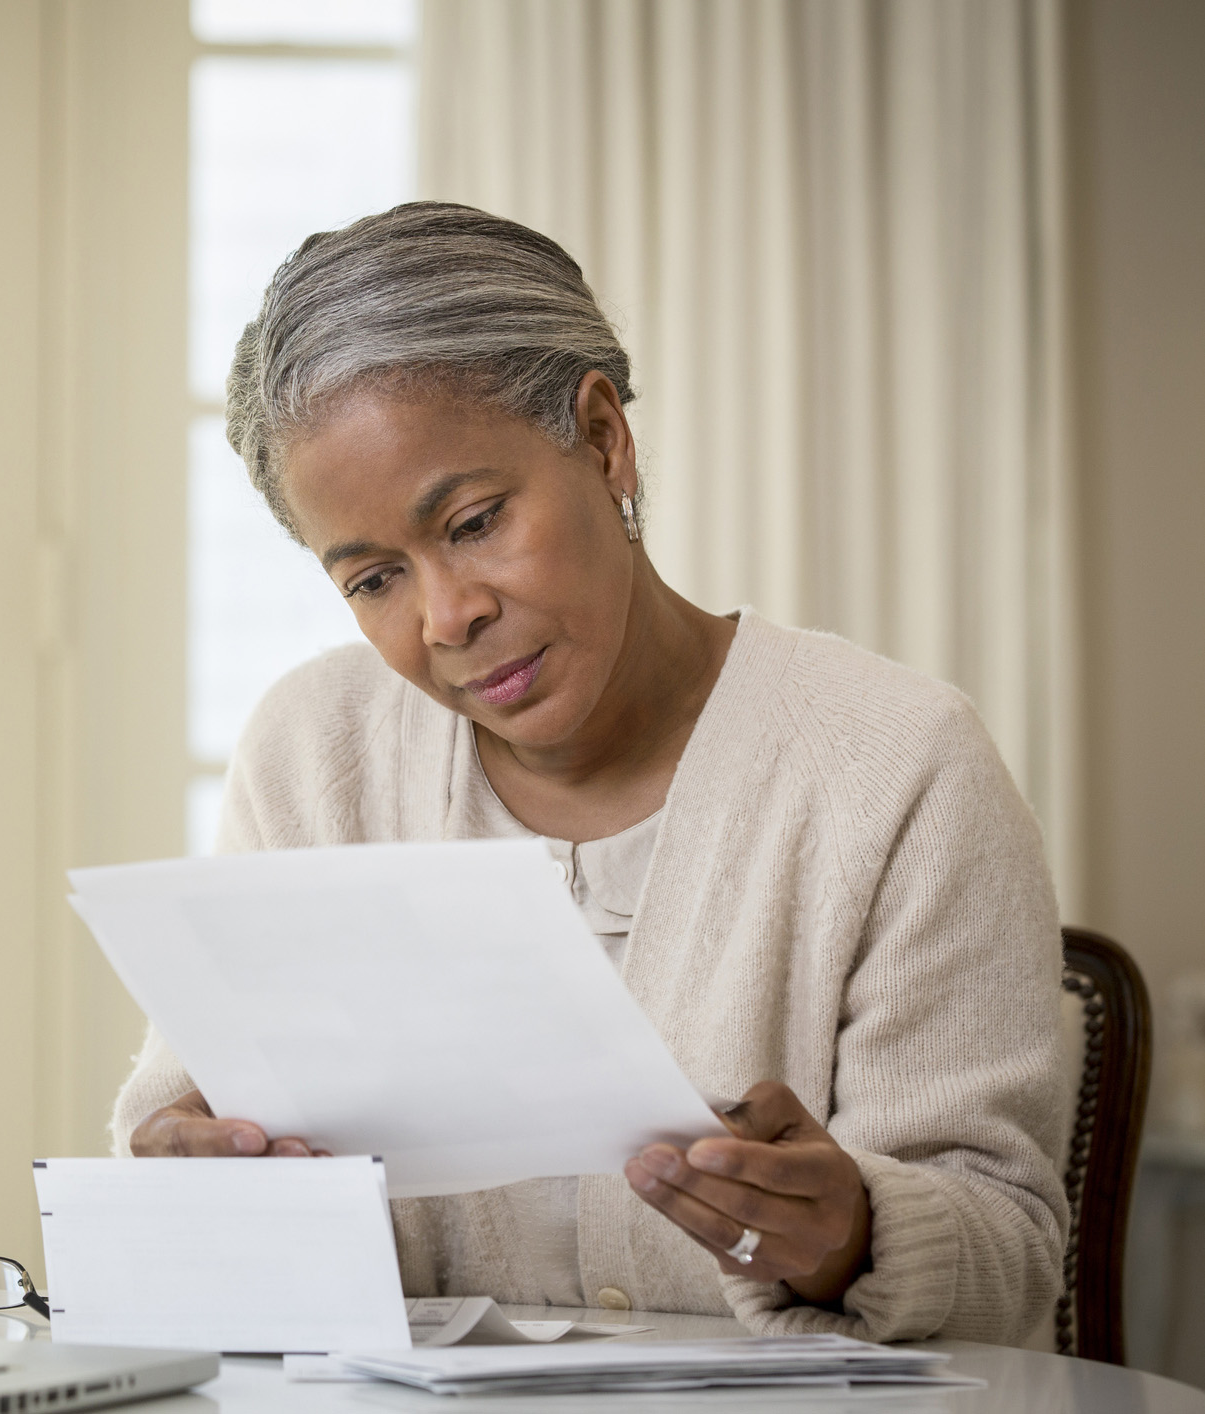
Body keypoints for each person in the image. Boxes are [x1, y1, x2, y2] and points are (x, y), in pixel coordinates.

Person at [112, 202, 1066, 1344]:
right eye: (373, 581)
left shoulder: (898, 767)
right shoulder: (314, 753)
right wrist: (188, 1166)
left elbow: (1011, 1259)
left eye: (473, 522)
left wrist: (854, 1233)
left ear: (604, 439)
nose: (448, 616)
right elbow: (180, 1131)